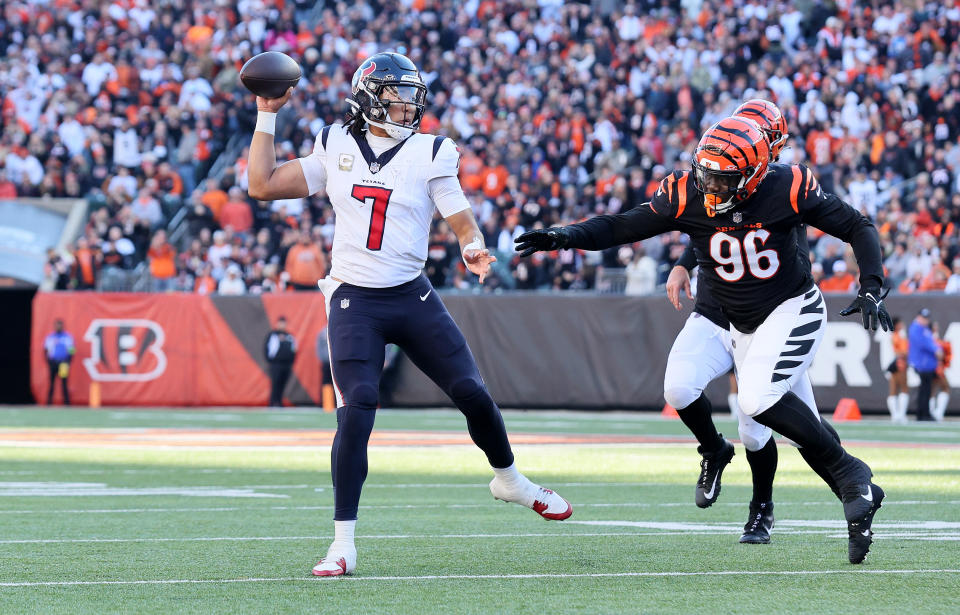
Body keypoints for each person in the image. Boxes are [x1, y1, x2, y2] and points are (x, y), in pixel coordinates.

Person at [246, 51, 571, 577]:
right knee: (358, 408)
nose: (408, 105)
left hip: (410, 293)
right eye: (397, 95)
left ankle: (510, 480)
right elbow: (260, 185)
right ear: (371, 97)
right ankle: (343, 543)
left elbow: (457, 210)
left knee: (471, 392)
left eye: (411, 95)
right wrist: (267, 114)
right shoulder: (334, 143)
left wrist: (472, 244)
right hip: (354, 299)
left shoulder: (431, 151)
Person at [517, 115, 891, 564]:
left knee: (758, 403)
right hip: (732, 320)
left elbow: (858, 225)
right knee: (796, 426)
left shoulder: (788, 186)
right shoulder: (687, 190)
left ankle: (850, 476)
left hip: (790, 309)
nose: (710, 185)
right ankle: (857, 490)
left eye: (722, 178)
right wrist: (564, 236)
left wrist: (870, 283)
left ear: (754, 173)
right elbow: (622, 226)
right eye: (705, 173)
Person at [661, 99, 831, 544]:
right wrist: (684, 261)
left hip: (771, 314)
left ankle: (770, 506)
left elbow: (739, 222)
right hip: (718, 312)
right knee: (687, 388)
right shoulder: (730, 179)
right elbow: (712, 219)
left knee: (771, 427)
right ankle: (716, 453)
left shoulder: (784, 187)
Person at [908, 309, 940, 422]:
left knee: (926, 389)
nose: (926, 320)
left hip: (927, 364)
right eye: (923, 318)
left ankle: (923, 413)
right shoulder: (916, 328)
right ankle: (922, 413)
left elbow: (930, 341)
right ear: (918, 317)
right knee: (924, 389)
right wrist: (937, 350)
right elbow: (925, 343)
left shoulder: (924, 328)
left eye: (927, 318)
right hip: (922, 363)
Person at [264, 316, 297, 407]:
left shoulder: (289, 336)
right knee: (275, 383)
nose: (282, 325)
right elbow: (267, 349)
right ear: (277, 323)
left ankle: (279, 402)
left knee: (283, 383)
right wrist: (271, 361)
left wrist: (291, 361)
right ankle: (272, 403)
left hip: (286, 364)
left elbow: (294, 349)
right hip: (276, 364)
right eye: (281, 323)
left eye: (284, 323)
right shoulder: (273, 335)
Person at [43, 319, 75, 405]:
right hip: (53, 363)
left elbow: (71, 349)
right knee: (52, 383)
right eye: (57, 325)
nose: (58, 327)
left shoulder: (67, 337)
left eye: (60, 325)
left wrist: (69, 360)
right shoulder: (50, 337)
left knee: (64, 383)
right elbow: (45, 350)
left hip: (63, 363)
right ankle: (49, 402)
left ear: (62, 326)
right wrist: (49, 361)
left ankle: (66, 403)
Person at [885, 317, 910, 424]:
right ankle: (900, 415)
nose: (902, 325)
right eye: (900, 323)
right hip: (899, 364)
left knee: (893, 390)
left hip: (891, 365)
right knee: (903, 389)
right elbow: (903, 352)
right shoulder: (898, 336)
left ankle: (895, 415)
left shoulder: (891, 335)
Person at [930, 322, 951, 422]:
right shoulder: (931, 338)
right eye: (935, 326)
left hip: (934, 367)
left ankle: (935, 412)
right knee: (943, 388)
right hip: (936, 368)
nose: (937, 327)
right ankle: (937, 413)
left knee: (934, 390)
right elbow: (939, 353)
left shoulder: (932, 337)